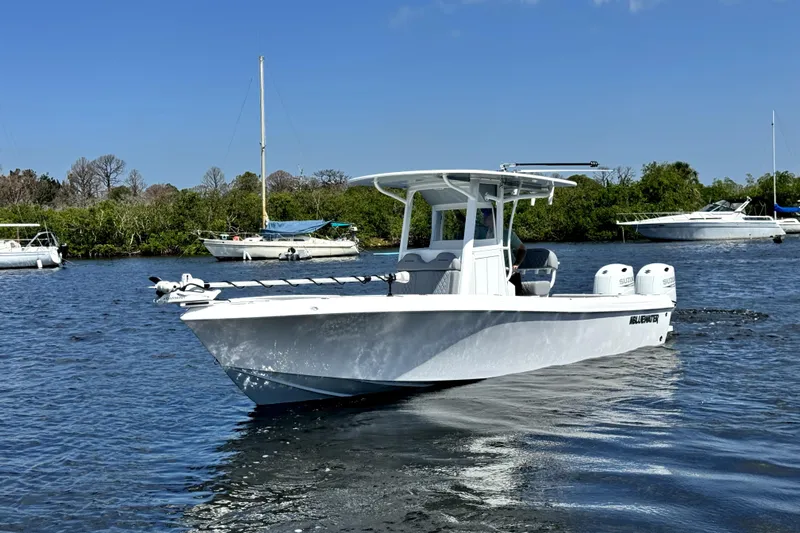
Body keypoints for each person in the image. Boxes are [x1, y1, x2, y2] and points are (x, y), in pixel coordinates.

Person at [479, 208, 526, 295]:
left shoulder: (507, 234)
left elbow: (522, 249)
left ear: (494, 218)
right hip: (491, 273)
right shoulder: (483, 233)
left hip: (509, 273)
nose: (484, 217)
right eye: (484, 215)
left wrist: (516, 264)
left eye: (487, 215)